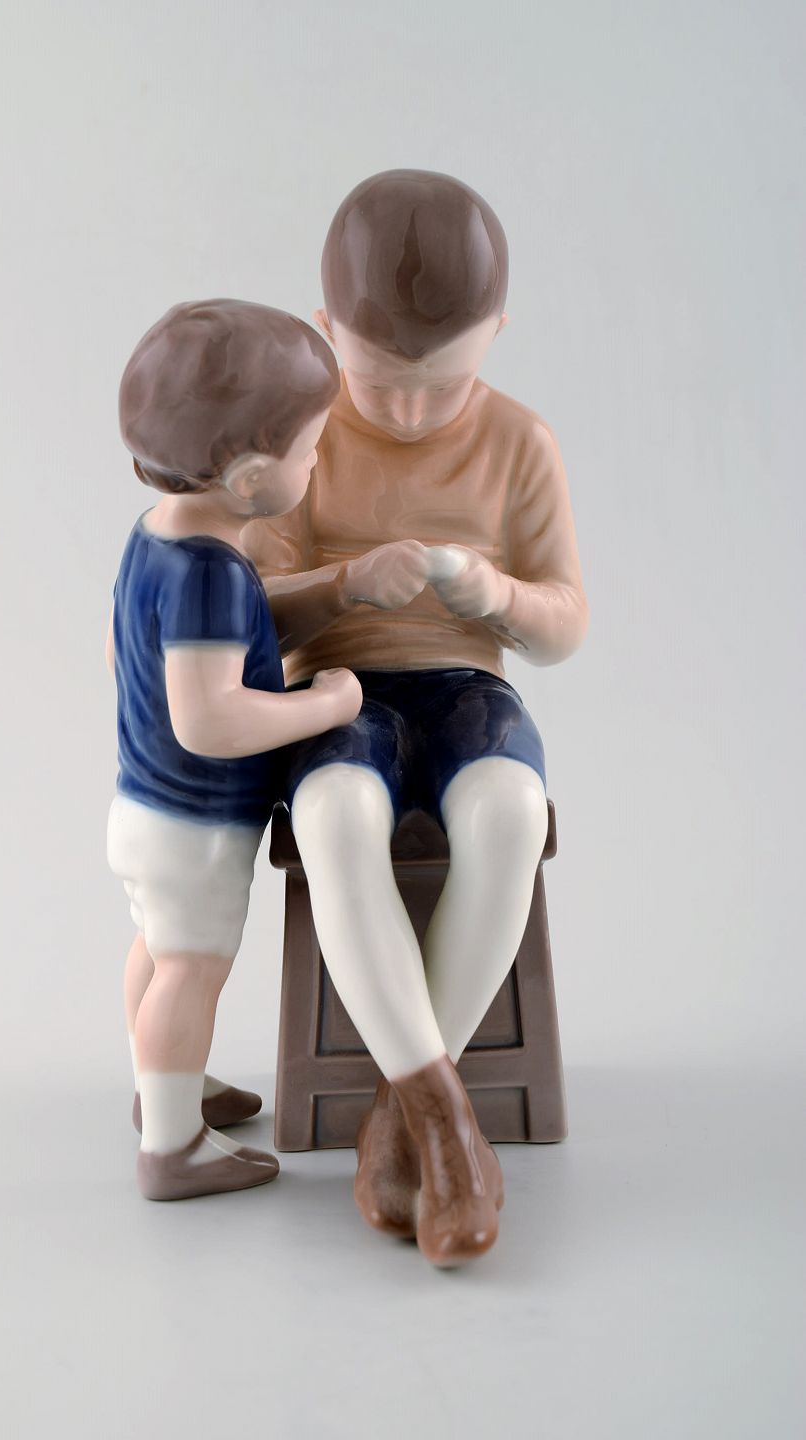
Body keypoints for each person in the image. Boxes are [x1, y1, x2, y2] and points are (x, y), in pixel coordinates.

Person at [244, 170, 588, 1265]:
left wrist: (495, 595)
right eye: (377, 382)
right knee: (334, 815)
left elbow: (564, 624)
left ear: (497, 334)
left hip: (466, 684)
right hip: (340, 688)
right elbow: (254, 612)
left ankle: (400, 1124)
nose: (404, 411)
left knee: (509, 810)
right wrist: (345, 585)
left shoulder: (521, 443)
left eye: (441, 385)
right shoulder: (299, 444)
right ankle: (446, 1123)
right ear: (325, 329)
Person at [107, 299, 361, 1200]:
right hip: (196, 821)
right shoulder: (211, 571)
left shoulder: (159, 536)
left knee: (158, 947)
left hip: (143, 807)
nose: (319, 460)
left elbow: (195, 646)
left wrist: (338, 593)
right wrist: (324, 705)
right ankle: (172, 1147)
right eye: (313, 449)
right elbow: (210, 721)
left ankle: (163, 1087)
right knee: (191, 967)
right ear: (253, 478)